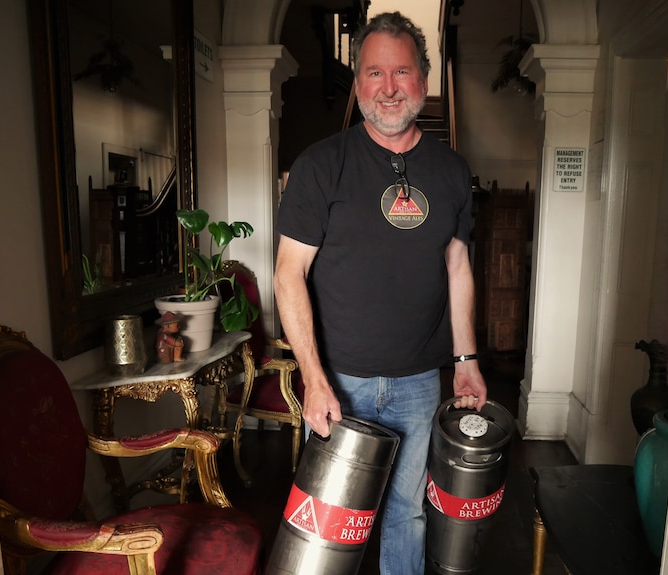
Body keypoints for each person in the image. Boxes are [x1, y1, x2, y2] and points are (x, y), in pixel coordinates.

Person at [273, 11, 487, 575]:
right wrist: (314, 380)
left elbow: (457, 264)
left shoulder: (451, 170)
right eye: (373, 73)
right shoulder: (320, 166)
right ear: (360, 81)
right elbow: (287, 274)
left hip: (419, 381)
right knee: (326, 518)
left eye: (402, 72)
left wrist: (465, 361)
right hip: (336, 381)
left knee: (407, 514)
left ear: (424, 77)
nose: (388, 88)